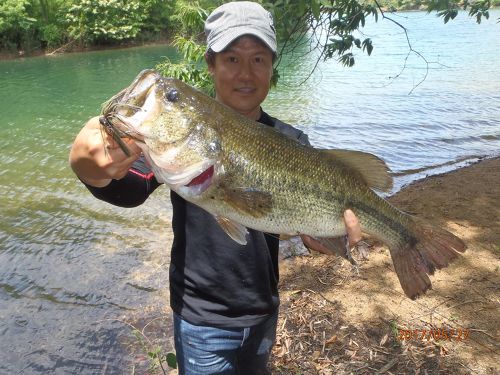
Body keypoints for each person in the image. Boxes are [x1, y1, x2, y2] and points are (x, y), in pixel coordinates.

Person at [69, 2, 361, 374]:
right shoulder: (180, 143)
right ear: (211, 64)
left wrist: (323, 236)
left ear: (272, 68)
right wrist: (87, 167)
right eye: (232, 59)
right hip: (201, 319)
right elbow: (126, 189)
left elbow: (297, 225)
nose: (245, 73)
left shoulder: (293, 141)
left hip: (263, 309)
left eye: (258, 59)